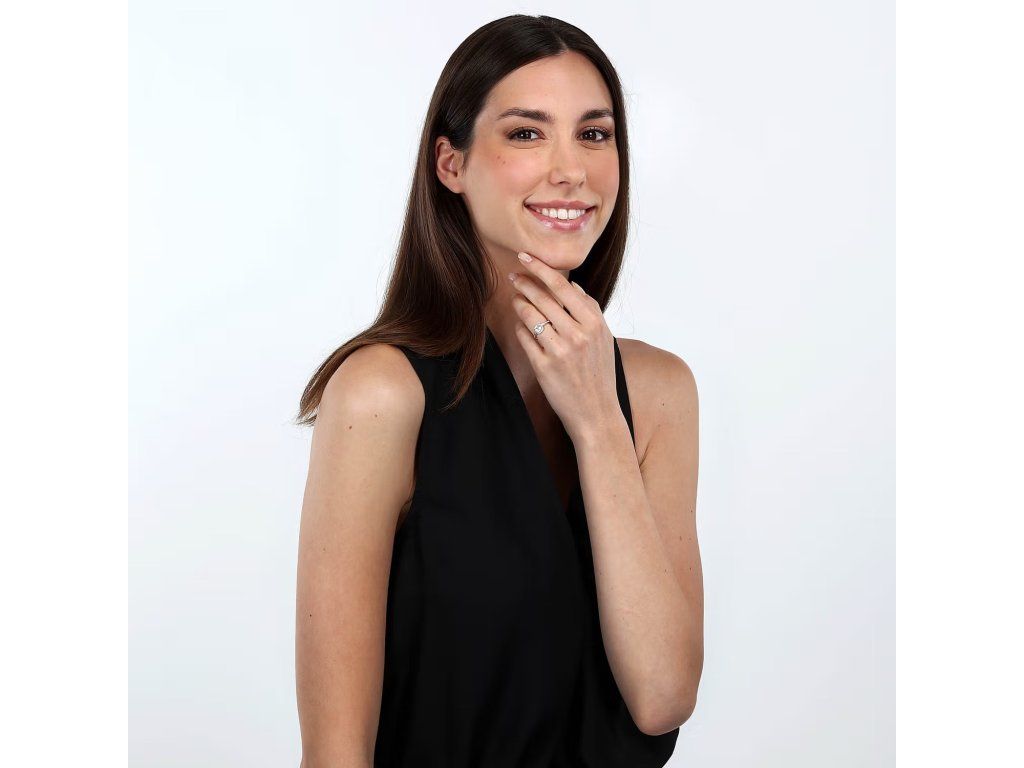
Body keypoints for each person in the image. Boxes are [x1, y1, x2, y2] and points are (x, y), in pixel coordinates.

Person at [293, 14, 703, 768]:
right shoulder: (382, 396)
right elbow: (335, 755)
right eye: (526, 134)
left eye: (594, 134)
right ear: (450, 164)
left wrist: (598, 424)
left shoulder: (659, 393)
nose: (571, 170)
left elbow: (662, 696)